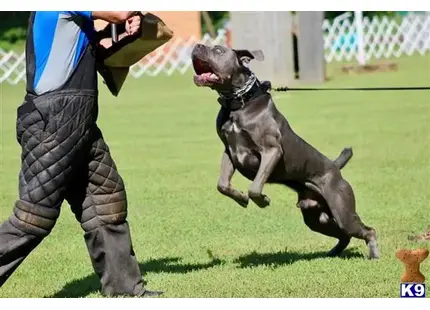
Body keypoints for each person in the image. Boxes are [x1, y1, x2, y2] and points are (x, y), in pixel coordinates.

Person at [0, 11, 162, 297]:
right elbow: (118, 12)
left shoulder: (77, 19)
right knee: (33, 219)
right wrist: (130, 16)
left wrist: (121, 33)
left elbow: (89, 50)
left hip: (78, 121)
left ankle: (125, 290)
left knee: (106, 201)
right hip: (53, 123)